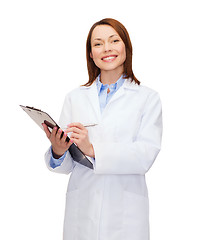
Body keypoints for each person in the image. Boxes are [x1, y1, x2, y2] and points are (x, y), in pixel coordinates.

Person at [43, 18, 162, 240]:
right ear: (90, 53)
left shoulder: (147, 98)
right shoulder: (75, 97)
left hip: (125, 213)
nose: (106, 48)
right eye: (98, 44)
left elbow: (145, 155)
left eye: (114, 40)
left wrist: (92, 148)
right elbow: (69, 164)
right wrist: (58, 151)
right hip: (83, 210)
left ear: (126, 46)